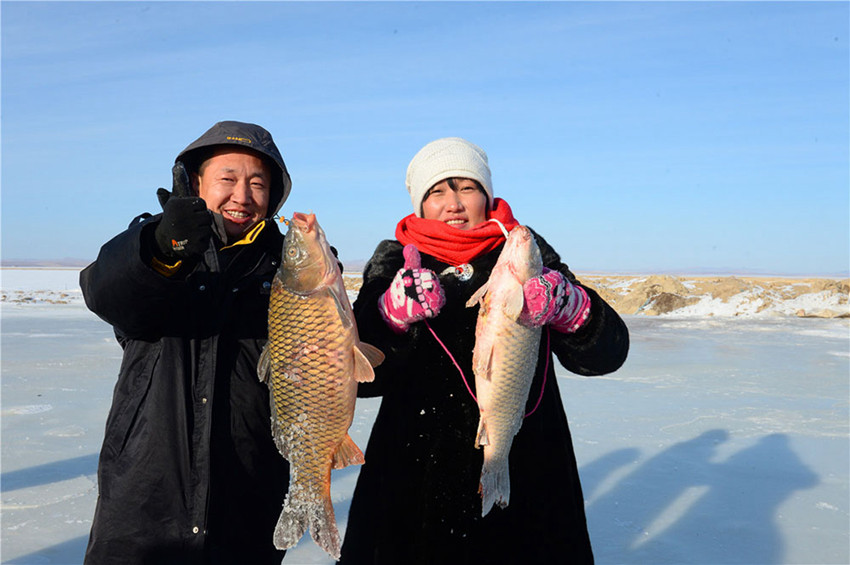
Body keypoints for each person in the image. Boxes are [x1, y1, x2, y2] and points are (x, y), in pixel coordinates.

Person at [339, 137, 629, 564]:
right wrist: (390, 316)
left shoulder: (526, 254)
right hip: (415, 473)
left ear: (487, 195)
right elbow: (360, 380)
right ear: (420, 204)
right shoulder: (397, 262)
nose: (453, 203)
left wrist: (573, 308)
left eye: (467, 188)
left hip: (525, 462)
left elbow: (608, 353)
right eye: (437, 191)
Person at [80, 121, 294, 564]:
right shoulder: (156, 244)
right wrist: (164, 246)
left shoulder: (287, 270)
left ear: (273, 196)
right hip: (143, 503)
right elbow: (106, 294)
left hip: (247, 499)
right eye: (227, 179)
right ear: (196, 183)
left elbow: (335, 370)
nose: (242, 195)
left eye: (257, 183)